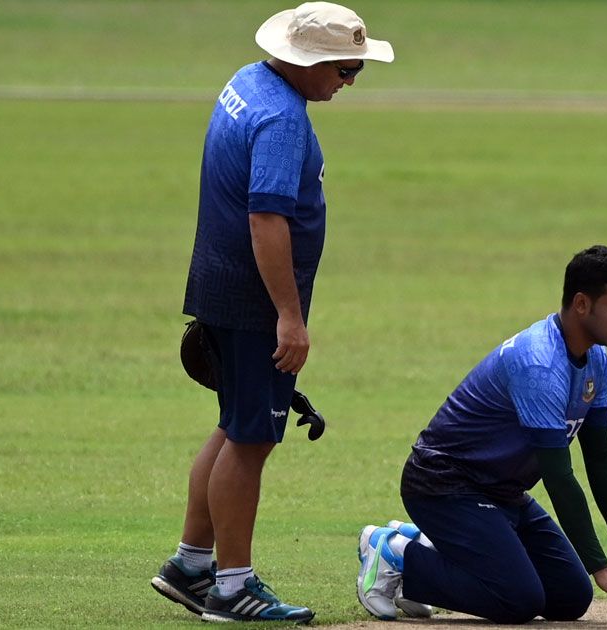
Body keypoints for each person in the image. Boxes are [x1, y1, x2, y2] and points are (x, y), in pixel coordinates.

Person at [150, 2, 393, 623]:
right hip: (255, 301)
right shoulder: (283, 119)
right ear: (306, 61)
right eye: (344, 71)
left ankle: (192, 564)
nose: (349, 82)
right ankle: (232, 588)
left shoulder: (248, 82)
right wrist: (289, 315)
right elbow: (266, 218)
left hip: (221, 281)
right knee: (253, 437)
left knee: (237, 426)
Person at [357, 245, 607, 623]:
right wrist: (601, 567)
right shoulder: (540, 363)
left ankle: (433, 548)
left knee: (570, 597)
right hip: (444, 485)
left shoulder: (596, 362)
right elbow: (559, 476)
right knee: (519, 600)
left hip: (501, 492)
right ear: (582, 304)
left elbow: (602, 458)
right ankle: (395, 553)